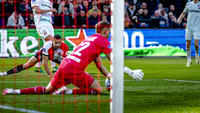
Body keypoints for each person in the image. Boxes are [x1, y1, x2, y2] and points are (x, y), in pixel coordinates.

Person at [3, 21, 144, 95]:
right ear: (105, 31)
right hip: (75, 69)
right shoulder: (102, 40)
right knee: (99, 90)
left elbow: (99, 65)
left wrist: (109, 76)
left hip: (64, 65)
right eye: (109, 31)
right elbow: (115, 61)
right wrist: (130, 72)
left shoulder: (90, 40)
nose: (110, 34)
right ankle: (67, 91)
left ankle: (14, 91)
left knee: (47, 90)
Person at [0, 35, 68, 77]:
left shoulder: (65, 46)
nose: (57, 45)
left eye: (59, 43)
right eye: (55, 43)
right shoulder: (47, 45)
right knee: (27, 65)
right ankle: (5, 73)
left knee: (67, 65)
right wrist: (50, 75)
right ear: (52, 41)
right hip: (43, 54)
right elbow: (45, 62)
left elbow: (64, 61)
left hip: (55, 57)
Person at [31, 0, 58, 73]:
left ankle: (37, 66)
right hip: (41, 23)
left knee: (47, 46)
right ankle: (53, 66)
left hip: (49, 24)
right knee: (50, 41)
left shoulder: (49, 2)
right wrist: (50, 10)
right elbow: (37, 11)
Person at [177, 0, 200, 67]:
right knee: (188, 44)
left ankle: (197, 55)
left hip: (197, 27)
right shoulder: (188, 4)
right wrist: (179, 19)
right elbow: (184, 13)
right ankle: (189, 60)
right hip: (189, 27)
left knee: (196, 44)